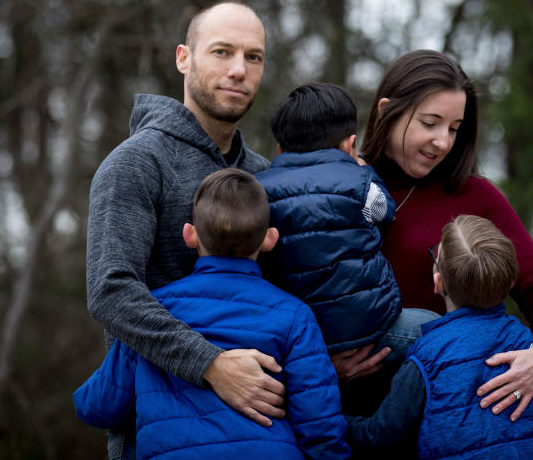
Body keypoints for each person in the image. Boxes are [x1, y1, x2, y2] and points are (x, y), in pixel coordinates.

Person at [85, 3, 287, 458]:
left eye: (253, 57)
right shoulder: (136, 163)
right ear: (184, 58)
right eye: (222, 52)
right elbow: (111, 291)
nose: (238, 70)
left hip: (260, 426)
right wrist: (211, 364)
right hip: (157, 425)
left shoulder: (263, 175)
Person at [335, 49, 533, 422]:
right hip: (352, 419)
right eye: (430, 123)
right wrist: (325, 368)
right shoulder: (338, 186)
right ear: (386, 111)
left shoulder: (475, 196)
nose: (444, 142)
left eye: (454, 127)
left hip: (453, 418)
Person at [75, 169, 350, 459]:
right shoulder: (295, 316)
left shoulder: (152, 313)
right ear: (270, 239)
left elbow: (98, 406)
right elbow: (321, 430)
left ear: (189, 235)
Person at [345, 215, 533, 459]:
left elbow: (379, 437)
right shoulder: (529, 347)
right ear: (511, 283)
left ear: (438, 282)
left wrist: (329, 418)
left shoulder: (426, 356)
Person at [256, 83, 438, 359]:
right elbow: (386, 211)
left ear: (279, 149)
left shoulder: (258, 190)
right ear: (350, 144)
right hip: (366, 328)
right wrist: (366, 171)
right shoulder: (359, 183)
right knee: (433, 327)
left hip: (294, 337)